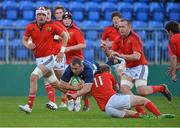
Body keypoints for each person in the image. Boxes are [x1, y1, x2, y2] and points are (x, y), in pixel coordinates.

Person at [19, 7, 82, 114]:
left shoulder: (52, 26)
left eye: (44, 14)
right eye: (39, 14)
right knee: (57, 85)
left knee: (33, 77)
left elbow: (65, 36)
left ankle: (29, 106)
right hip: (39, 59)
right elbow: (24, 40)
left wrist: (62, 51)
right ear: (36, 16)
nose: (42, 16)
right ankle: (74, 95)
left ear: (46, 16)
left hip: (49, 59)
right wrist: (28, 45)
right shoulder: (30, 26)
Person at [102, 19, 172, 114]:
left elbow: (137, 56)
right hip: (128, 67)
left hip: (140, 66)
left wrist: (120, 55)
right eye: (119, 27)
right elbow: (113, 58)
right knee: (124, 89)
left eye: (123, 27)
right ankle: (142, 113)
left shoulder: (135, 38)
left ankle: (162, 88)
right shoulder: (119, 39)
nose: (121, 29)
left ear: (130, 27)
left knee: (142, 91)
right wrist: (107, 51)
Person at [68, 64, 175, 118]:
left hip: (107, 110)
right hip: (113, 100)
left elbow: (86, 96)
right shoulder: (108, 75)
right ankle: (159, 115)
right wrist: (119, 76)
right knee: (144, 100)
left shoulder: (90, 82)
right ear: (107, 71)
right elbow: (117, 89)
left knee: (130, 113)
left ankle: (144, 115)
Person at [42, 6, 68, 110]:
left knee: (61, 79)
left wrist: (57, 38)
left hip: (58, 55)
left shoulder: (56, 24)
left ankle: (68, 98)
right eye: (44, 14)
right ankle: (52, 102)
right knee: (48, 78)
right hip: (47, 56)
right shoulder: (39, 26)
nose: (46, 15)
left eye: (48, 13)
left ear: (50, 14)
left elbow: (66, 36)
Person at [62, 11, 86, 111]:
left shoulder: (76, 31)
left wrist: (69, 48)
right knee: (66, 83)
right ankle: (70, 100)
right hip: (64, 60)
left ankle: (77, 100)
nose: (66, 21)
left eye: (68, 19)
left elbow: (83, 45)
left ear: (71, 20)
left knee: (76, 82)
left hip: (77, 61)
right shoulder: (60, 30)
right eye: (65, 19)